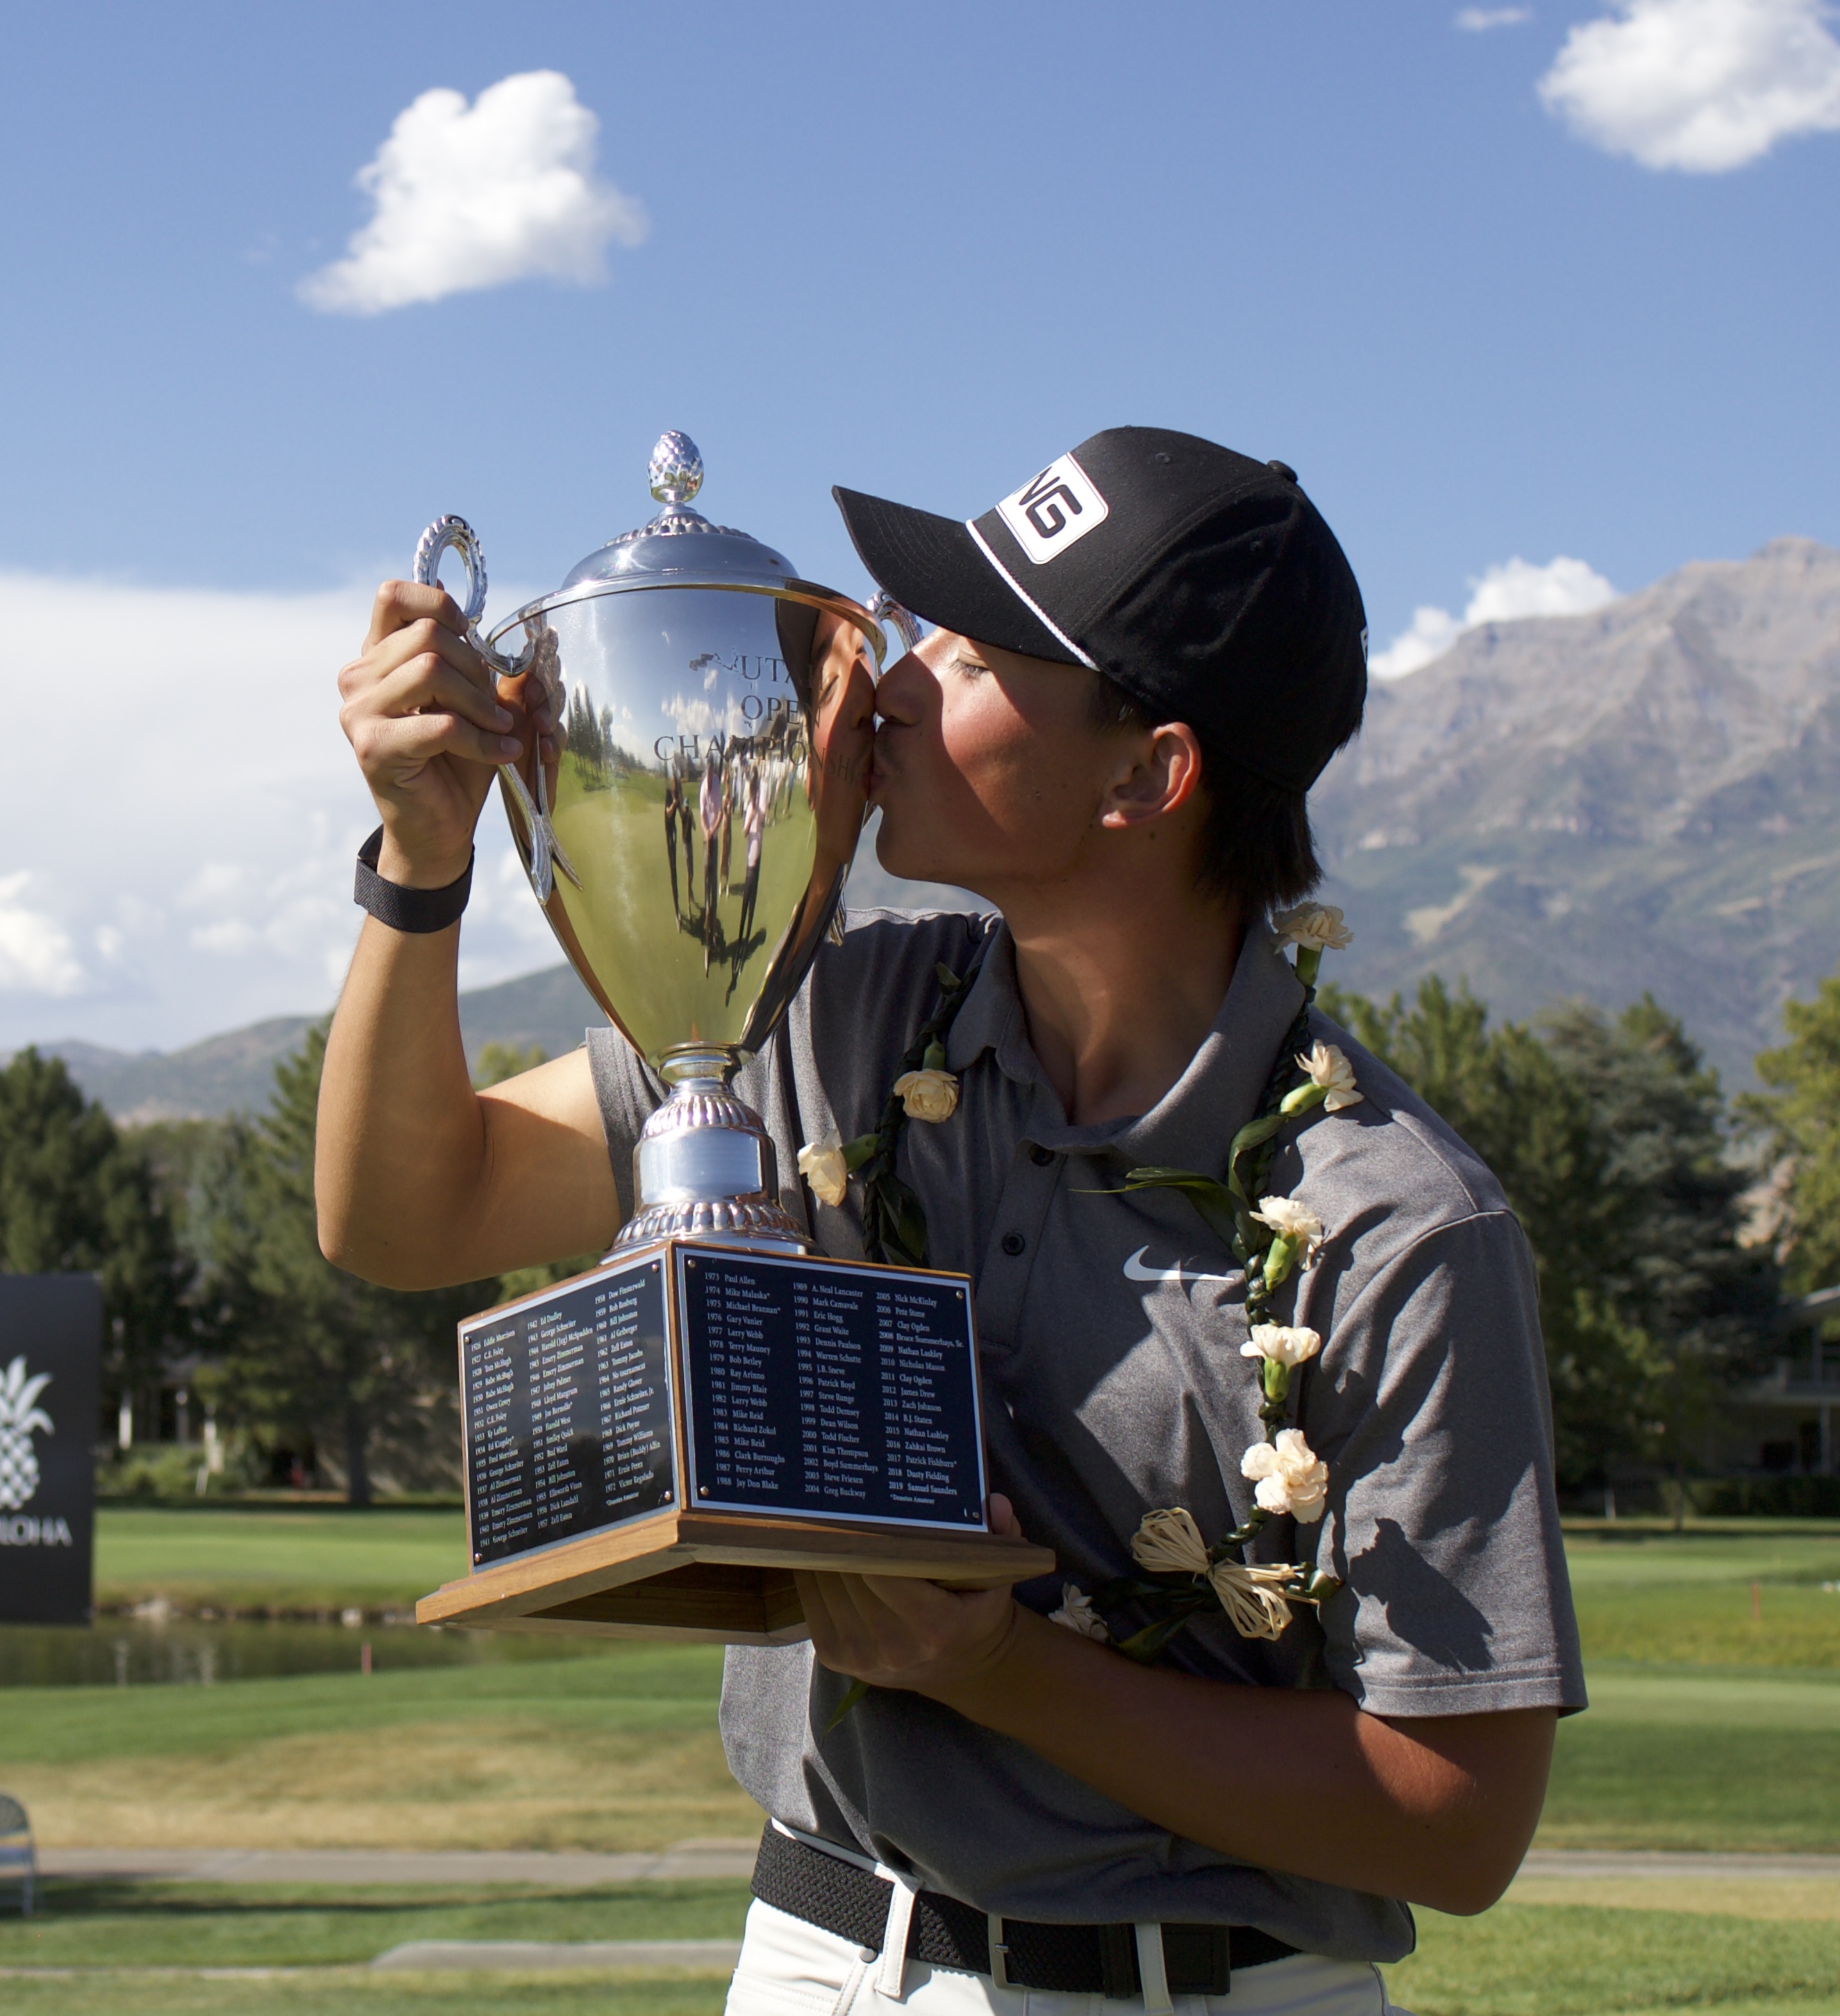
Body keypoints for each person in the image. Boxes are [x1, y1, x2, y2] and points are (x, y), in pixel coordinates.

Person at [322, 428, 1580, 2014]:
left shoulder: (1390, 1221)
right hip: (814, 1952)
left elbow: (1452, 1818)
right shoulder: (826, 1017)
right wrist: (418, 860)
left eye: (971, 660)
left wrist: (1000, 1666)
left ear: (1145, 772)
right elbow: (399, 1209)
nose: (893, 685)